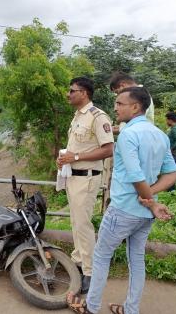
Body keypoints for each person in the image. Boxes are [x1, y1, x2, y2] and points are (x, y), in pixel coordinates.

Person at [67, 87, 176, 314]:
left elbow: (136, 175)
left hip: (124, 210)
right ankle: (130, 309)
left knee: (100, 256)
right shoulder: (159, 134)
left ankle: (91, 307)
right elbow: (173, 173)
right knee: (136, 259)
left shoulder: (128, 134)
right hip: (145, 212)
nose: (115, 107)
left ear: (136, 107)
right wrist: (151, 199)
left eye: (120, 103)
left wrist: (149, 198)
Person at [57, 76, 114, 294]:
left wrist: (76, 156)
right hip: (73, 176)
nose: (68, 94)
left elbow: (108, 148)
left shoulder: (97, 117)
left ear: (84, 93)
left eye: (72, 90)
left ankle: (90, 272)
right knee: (75, 222)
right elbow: (75, 148)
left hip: (87, 178)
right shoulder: (78, 116)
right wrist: (65, 159)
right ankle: (78, 262)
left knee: (83, 225)